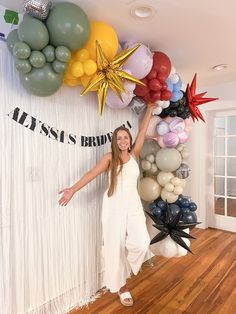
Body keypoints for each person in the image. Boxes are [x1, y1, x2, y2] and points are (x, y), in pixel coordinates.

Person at [59, 102, 156, 306]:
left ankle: (124, 269)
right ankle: (122, 287)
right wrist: (72, 190)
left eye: (125, 137)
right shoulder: (109, 158)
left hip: (133, 207)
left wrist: (149, 109)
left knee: (140, 243)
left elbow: (142, 131)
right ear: (115, 141)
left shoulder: (134, 155)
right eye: (119, 137)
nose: (123, 140)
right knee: (114, 248)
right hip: (113, 207)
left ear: (129, 140)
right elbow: (91, 174)